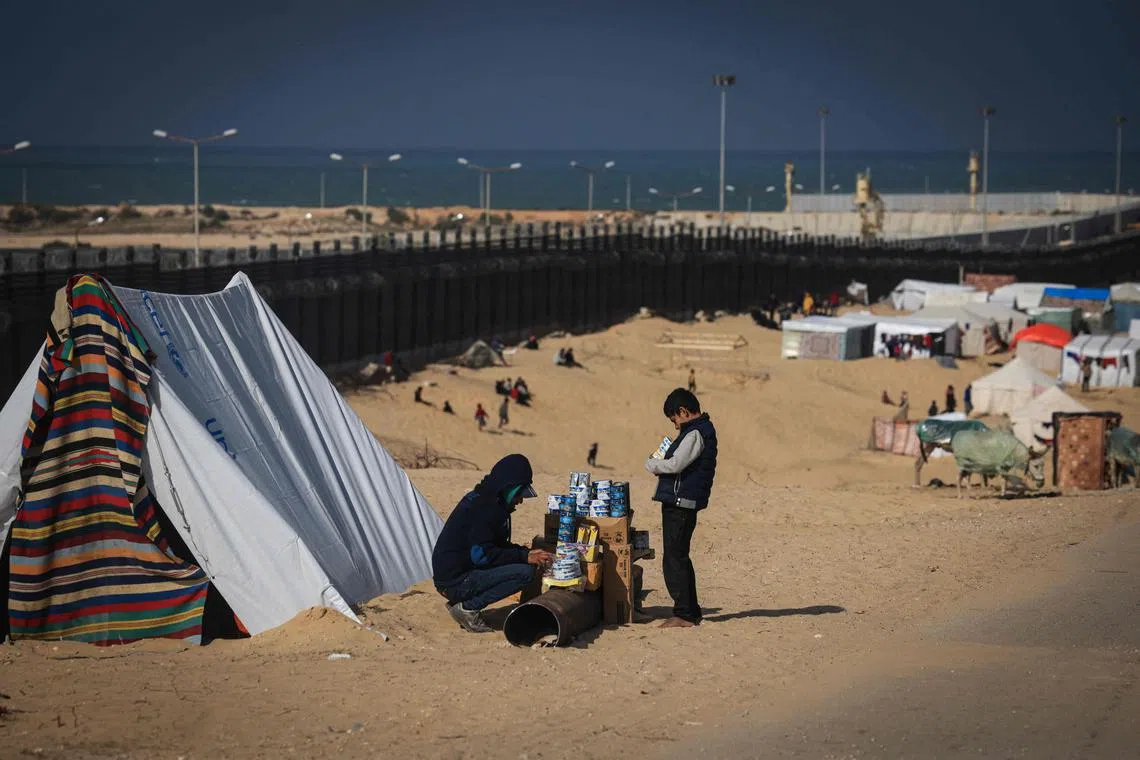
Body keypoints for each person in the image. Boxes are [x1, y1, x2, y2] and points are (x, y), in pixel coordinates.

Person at [432, 454, 552, 633]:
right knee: (525, 573)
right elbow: (482, 555)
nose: (520, 500)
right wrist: (524, 557)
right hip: (454, 581)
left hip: (454, 575)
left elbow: (494, 545)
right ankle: (468, 608)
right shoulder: (487, 509)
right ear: (509, 489)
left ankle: (463, 601)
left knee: (523, 562)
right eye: (519, 494)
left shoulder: (487, 500)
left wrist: (525, 553)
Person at [644, 389, 717, 629]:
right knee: (678, 557)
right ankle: (689, 610)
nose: (675, 426)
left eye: (674, 419)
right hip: (681, 502)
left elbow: (676, 464)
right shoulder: (697, 430)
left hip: (681, 504)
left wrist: (653, 464)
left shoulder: (695, 433)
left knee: (675, 559)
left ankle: (685, 614)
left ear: (683, 412)